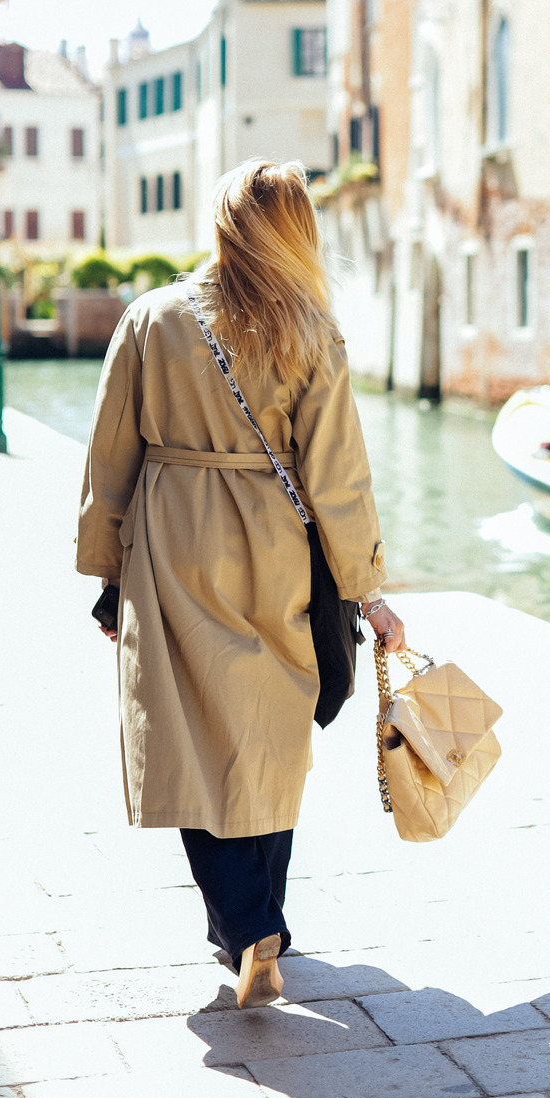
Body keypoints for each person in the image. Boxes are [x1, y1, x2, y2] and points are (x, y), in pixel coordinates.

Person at [77, 160, 404, 1010]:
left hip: (172, 541)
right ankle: (264, 922)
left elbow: (110, 456)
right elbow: (338, 477)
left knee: (190, 733)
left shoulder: (151, 317)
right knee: (270, 736)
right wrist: (368, 588)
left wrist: (108, 574)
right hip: (274, 545)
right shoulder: (310, 331)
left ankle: (245, 927)